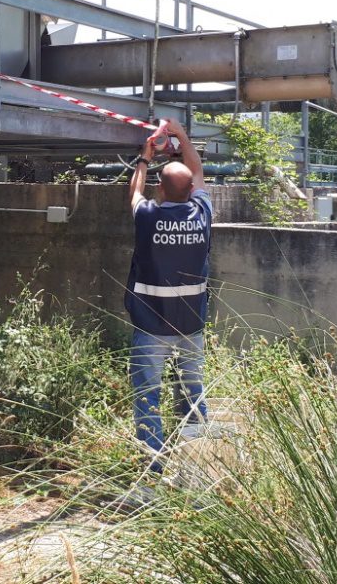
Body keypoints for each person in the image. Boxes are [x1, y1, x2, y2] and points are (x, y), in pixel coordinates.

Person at [124, 117, 211, 472]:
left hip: (150, 324)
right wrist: (183, 136)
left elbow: (133, 193)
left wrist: (144, 158)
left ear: (161, 190)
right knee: (192, 389)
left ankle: (153, 467)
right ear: (191, 192)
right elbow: (198, 172)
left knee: (147, 394)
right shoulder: (202, 214)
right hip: (191, 322)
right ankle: (197, 460)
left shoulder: (148, 217)